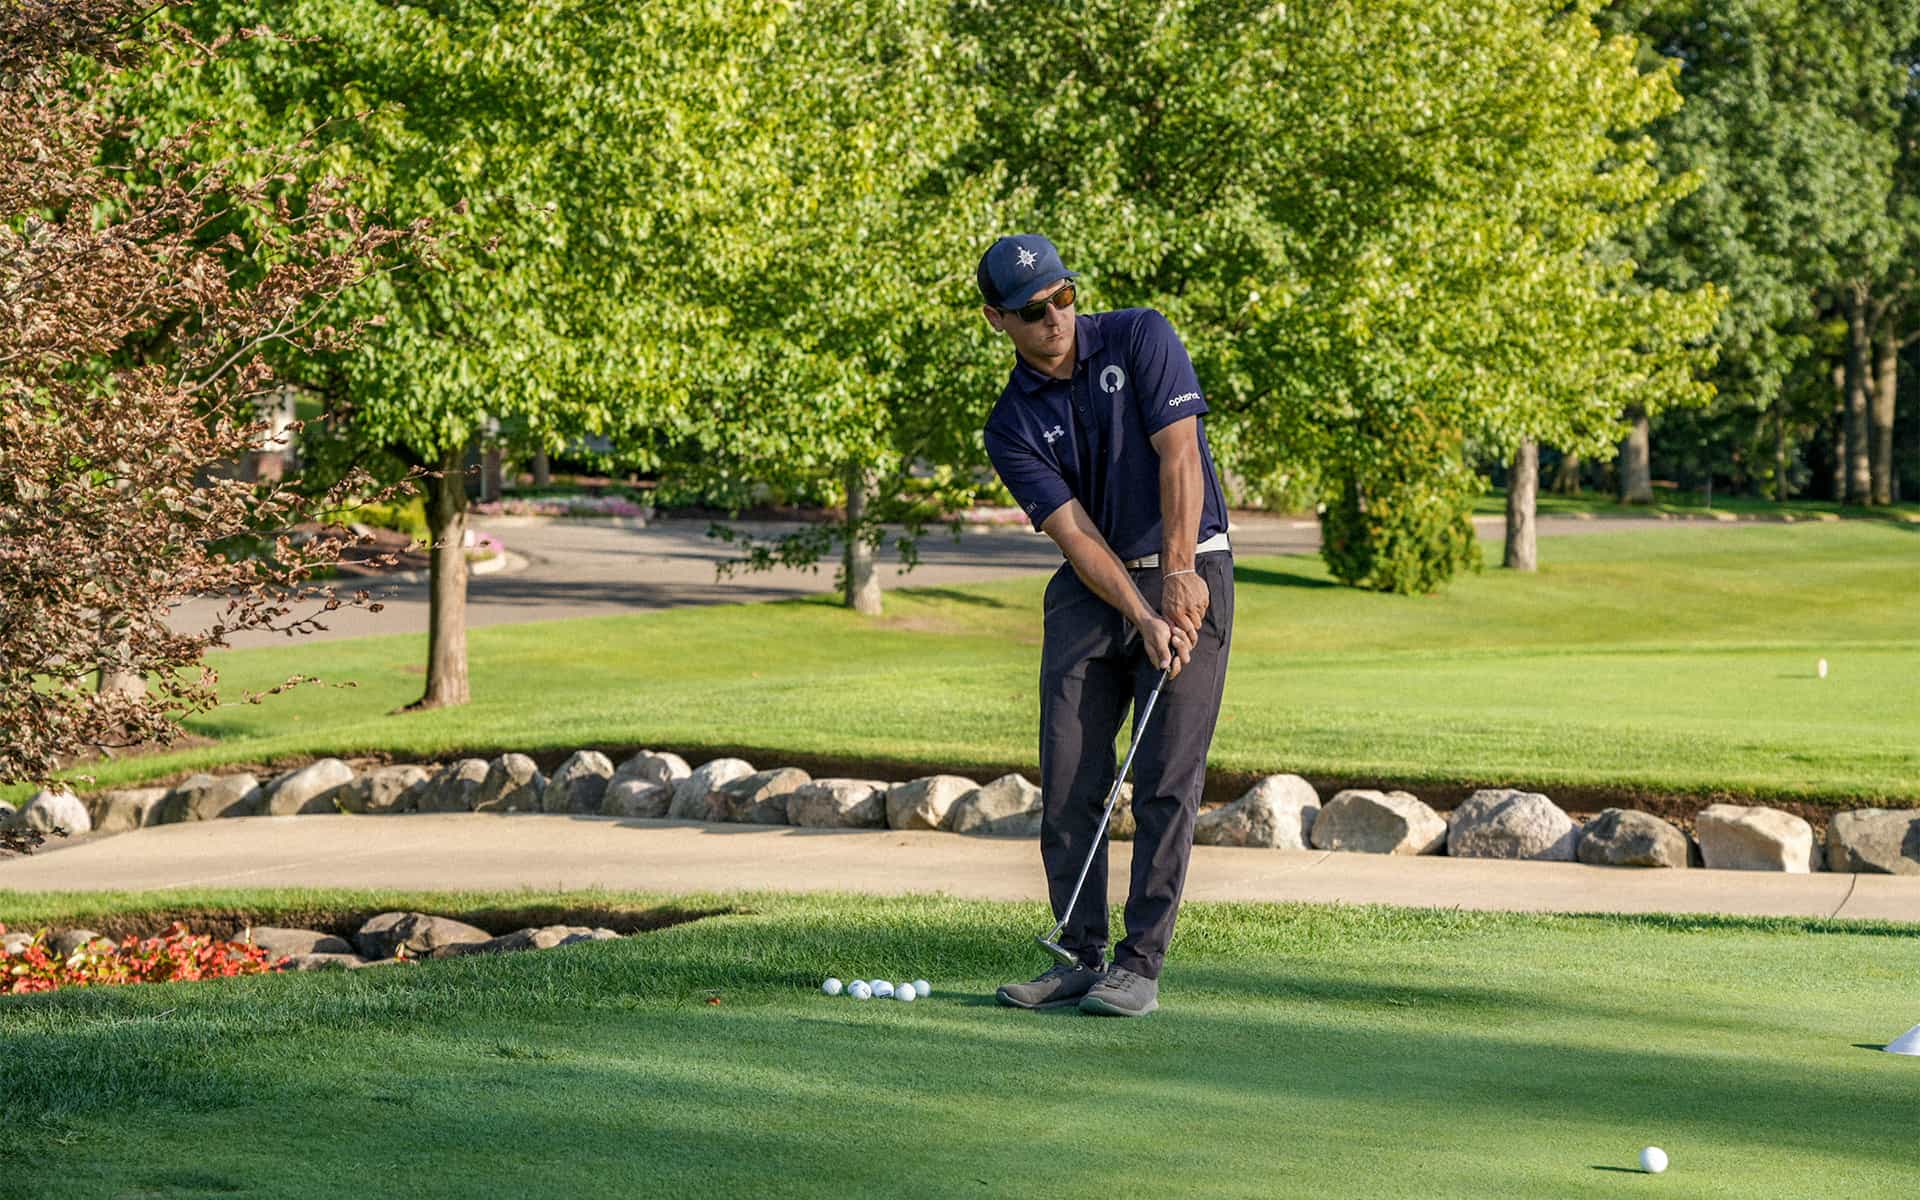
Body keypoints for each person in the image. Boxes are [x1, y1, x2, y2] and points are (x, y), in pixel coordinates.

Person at [977, 234, 1235, 1018]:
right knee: (1068, 780)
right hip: (1096, 590)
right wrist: (1142, 613)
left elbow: (1179, 457)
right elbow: (1077, 536)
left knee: (1164, 782)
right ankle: (1079, 954)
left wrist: (1179, 578)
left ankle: (1138, 965)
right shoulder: (1010, 424)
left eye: (1063, 296)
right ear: (996, 320)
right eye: (1032, 310)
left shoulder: (1140, 335)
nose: (1054, 317)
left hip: (1192, 565)